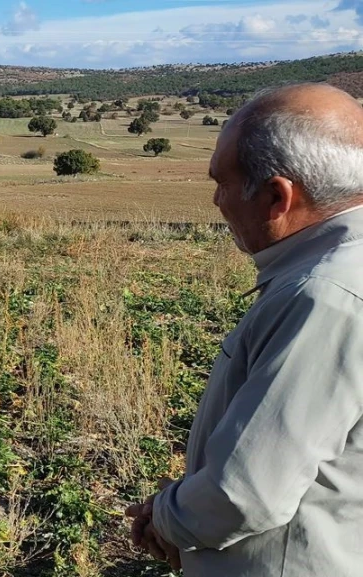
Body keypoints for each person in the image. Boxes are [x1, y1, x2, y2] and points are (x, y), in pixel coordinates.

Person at [125, 83, 363, 575]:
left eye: (223, 183)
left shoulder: (324, 296)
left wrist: (165, 520)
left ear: (277, 197)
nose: (216, 200)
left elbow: (245, 493)